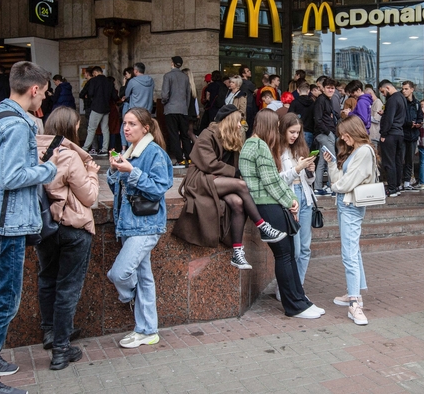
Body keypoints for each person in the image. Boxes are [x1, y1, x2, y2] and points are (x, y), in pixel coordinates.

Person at [0, 61, 57, 394]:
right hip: (7, 225)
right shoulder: (16, 125)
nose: (43, 98)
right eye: (44, 92)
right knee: (3, 303)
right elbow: (12, 176)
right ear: (34, 89)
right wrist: (48, 169)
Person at [173, 104, 286, 268]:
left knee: (238, 202)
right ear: (229, 120)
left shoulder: (231, 137)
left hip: (221, 180)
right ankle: (263, 226)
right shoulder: (207, 134)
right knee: (241, 184)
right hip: (201, 179)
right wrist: (235, 172)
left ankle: (237, 252)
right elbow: (209, 164)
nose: (240, 125)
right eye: (238, 121)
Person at [240, 109, 324, 319]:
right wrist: (291, 201)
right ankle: (294, 305)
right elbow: (272, 182)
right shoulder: (259, 146)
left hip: (268, 203)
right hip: (267, 204)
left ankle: (300, 300)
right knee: (285, 255)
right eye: (276, 126)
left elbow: (272, 181)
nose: (278, 130)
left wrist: (290, 200)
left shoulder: (253, 145)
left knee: (288, 254)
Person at [35, 107, 100, 370]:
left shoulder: (32, 151)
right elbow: (89, 197)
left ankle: (50, 332)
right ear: (69, 128)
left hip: (44, 227)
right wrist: (92, 172)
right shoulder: (70, 155)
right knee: (68, 287)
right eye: (77, 125)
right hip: (72, 228)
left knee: (47, 279)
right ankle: (61, 349)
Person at [106, 107, 173, 349]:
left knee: (119, 273)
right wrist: (114, 170)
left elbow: (160, 187)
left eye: (132, 124)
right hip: (128, 224)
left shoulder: (154, 153)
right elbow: (117, 188)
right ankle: (147, 330)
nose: (126, 128)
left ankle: (131, 299)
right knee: (144, 277)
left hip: (146, 225)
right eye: (125, 123)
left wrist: (132, 172)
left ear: (145, 128)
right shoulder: (129, 151)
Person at [322, 116, 377, 326]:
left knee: (349, 253)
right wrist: (331, 164)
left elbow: (345, 183)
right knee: (353, 250)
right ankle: (355, 295)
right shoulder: (357, 151)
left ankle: (355, 302)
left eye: (345, 135)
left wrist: (333, 187)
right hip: (347, 204)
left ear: (353, 131)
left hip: (350, 206)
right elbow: (341, 179)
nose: (343, 139)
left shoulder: (363, 151)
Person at [274, 114, 316, 286]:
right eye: (292, 132)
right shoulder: (276, 150)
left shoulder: (300, 148)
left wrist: (310, 170)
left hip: (305, 197)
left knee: (305, 248)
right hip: (289, 199)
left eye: (298, 132)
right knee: (295, 250)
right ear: (283, 130)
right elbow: (277, 180)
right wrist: (297, 169)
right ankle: (286, 288)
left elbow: (309, 181)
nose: (295, 136)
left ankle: (298, 287)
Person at [161, 56, 193, 165]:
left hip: (171, 109)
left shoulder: (168, 76)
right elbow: (188, 94)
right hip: (183, 109)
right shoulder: (185, 77)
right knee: (185, 134)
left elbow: (165, 94)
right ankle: (189, 157)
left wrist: (164, 102)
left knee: (174, 134)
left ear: (173, 63)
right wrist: (185, 106)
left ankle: (180, 159)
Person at [379, 79, 406, 197]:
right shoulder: (402, 98)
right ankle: (397, 186)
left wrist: (383, 134)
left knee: (389, 162)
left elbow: (389, 119)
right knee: (398, 161)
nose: (383, 95)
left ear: (388, 88)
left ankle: (392, 188)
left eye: (383, 92)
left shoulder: (392, 100)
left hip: (390, 134)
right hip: (400, 133)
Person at [80, 66, 115, 155]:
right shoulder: (109, 81)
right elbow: (114, 96)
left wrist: (90, 96)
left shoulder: (93, 81)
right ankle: (104, 149)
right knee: (105, 129)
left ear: (95, 72)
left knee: (91, 129)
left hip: (96, 107)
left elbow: (90, 93)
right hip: (106, 108)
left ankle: (85, 148)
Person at [313, 77, 338, 195]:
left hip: (325, 133)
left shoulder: (327, 100)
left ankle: (318, 187)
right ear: (323, 88)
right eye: (328, 88)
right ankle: (333, 187)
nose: (330, 90)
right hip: (324, 134)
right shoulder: (321, 100)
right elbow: (317, 119)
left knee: (323, 161)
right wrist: (329, 133)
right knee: (332, 160)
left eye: (332, 88)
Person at [288, 81, 315, 149]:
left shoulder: (294, 102)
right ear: (308, 91)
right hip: (309, 132)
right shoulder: (313, 103)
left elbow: (289, 117)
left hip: (297, 132)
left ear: (297, 90)